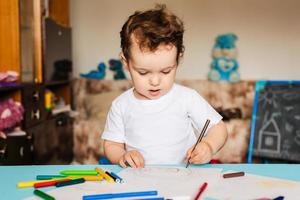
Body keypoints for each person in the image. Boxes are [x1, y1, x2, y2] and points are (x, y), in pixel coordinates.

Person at [102, 5, 228, 168]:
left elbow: (219, 129)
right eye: (143, 72)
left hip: (183, 179)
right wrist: (122, 156)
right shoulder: (121, 105)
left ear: (178, 60)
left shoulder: (187, 98)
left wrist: (209, 146)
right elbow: (111, 145)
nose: (155, 81)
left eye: (166, 71)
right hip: (140, 181)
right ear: (126, 62)